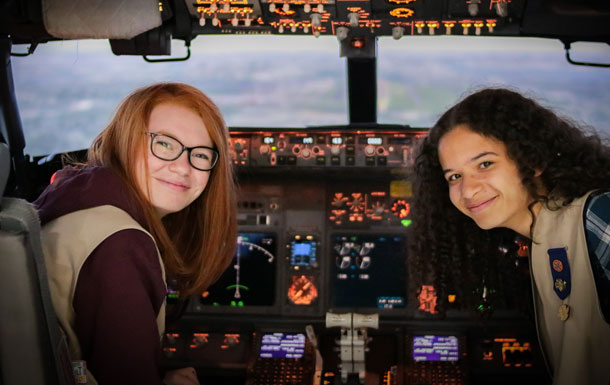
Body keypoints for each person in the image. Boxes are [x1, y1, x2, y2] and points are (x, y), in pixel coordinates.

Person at [34, 82, 237, 385]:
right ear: (125, 142)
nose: (183, 168)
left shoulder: (77, 193)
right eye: (164, 144)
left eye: (202, 155)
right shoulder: (121, 243)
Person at [412, 88, 610, 385]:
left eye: (485, 164)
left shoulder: (598, 216)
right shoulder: (540, 241)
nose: (467, 190)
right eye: (454, 176)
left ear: (533, 160)